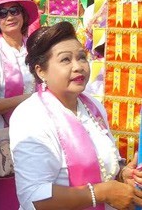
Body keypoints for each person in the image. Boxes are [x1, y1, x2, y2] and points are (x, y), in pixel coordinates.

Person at [11, 21, 142, 209]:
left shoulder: (92, 106)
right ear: (41, 71)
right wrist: (102, 193)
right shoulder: (30, 116)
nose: (78, 66)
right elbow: (34, 196)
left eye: (81, 57)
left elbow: (100, 164)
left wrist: (121, 174)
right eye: (65, 60)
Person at [0, 0, 39, 210]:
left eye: (14, 11)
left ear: (23, 15)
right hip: (8, 141)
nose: (9, 17)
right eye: (2, 14)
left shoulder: (34, 49)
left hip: (39, 136)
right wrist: (31, 99)